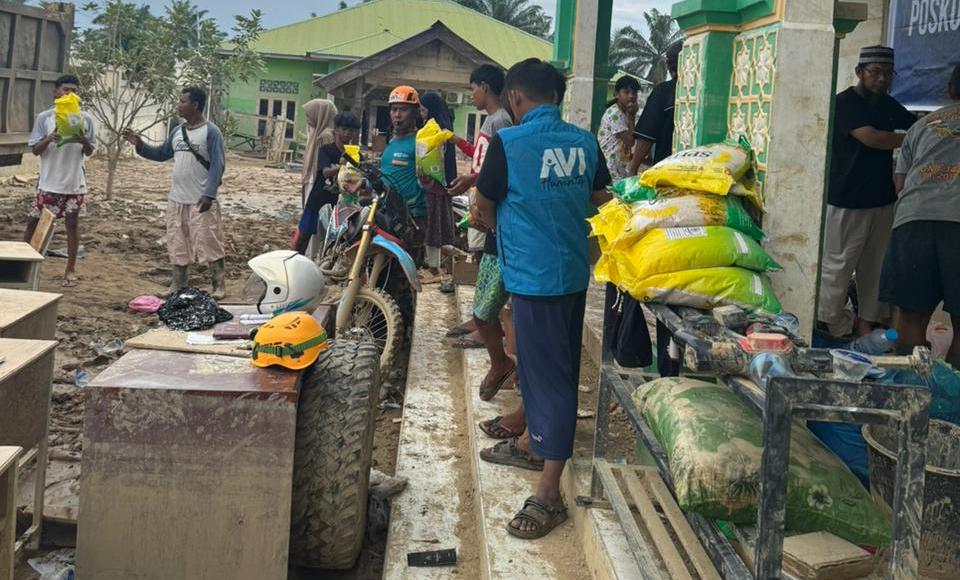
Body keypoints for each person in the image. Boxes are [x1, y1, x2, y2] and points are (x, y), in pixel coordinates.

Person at [474, 58, 612, 539]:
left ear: (514, 98)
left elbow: (483, 207)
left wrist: (508, 227)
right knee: (541, 365)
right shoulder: (586, 141)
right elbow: (603, 199)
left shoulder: (509, 143)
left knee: (551, 378)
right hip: (573, 274)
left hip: (533, 277)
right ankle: (534, 441)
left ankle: (550, 490)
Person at [817, 46, 916, 340]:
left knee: (875, 270)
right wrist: (914, 138)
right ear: (859, 72)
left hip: (881, 201)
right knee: (838, 266)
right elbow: (873, 139)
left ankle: (865, 326)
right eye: (875, 72)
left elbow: (916, 124)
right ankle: (830, 325)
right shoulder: (845, 103)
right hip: (845, 201)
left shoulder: (887, 104)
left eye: (887, 73)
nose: (882, 79)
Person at [880, 64, 960, 368]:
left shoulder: (921, 126)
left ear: (950, 91)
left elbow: (899, 184)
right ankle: (951, 400)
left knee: (912, 318)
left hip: (914, 221)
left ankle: (911, 388)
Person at [445, 65, 516, 403]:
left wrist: (482, 202)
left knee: (496, 296)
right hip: (484, 203)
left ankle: (502, 358)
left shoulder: (501, 120)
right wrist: (472, 181)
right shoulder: (492, 122)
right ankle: (494, 346)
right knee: (484, 281)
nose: (470, 95)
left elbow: (497, 169)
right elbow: (484, 164)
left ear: (484, 87)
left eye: (472, 88)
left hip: (494, 213)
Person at [122, 86, 227, 299]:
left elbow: (218, 164)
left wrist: (209, 194)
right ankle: (178, 285)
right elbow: (162, 153)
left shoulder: (211, 132)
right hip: (177, 198)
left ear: (195, 105)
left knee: (208, 241)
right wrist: (140, 144)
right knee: (177, 241)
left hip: (200, 199)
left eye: (182, 102)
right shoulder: (177, 131)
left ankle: (219, 285)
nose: (178, 105)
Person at [627, 40, 684, 377]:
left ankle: (669, 362)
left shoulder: (665, 93)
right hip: (702, 194)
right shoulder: (699, 91)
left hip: (668, 191)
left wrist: (632, 174)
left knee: (669, 278)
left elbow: (643, 140)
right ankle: (672, 358)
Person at [24, 74, 96, 287]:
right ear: (56, 92)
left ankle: (70, 270)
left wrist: (83, 140)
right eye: (65, 89)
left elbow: (90, 150)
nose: (70, 93)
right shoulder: (45, 118)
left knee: (72, 224)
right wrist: (49, 138)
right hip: (48, 183)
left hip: (74, 183)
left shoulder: (85, 119)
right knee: (34, 223)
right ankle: (21, 264)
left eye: (74, 90)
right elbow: (35, 151)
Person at [294, 111, 361, 255]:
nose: (347, 134)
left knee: (336, 240)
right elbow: (325, 172)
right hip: (318, 200)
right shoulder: (326, 150)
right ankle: (294, 260)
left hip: (340, 205)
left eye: (351, 130)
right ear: (335, 130)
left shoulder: (356, 154)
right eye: (344, 129)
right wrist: (342, 165)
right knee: (303, 236)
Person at [418, 92, 457, 282]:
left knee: (432, 226)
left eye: (424, 110)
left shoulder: (435, 131)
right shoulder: (445, 128)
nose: (421, 113)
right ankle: (435, 264)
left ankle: (434, 268)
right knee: (437, 225)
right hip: (441, 183)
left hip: (433, 183)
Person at [628, 40, 683, 174]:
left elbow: (646, 136)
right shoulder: (705, 92)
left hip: (666, 170)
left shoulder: (663, 91)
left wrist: (632, 170)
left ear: (669, 67)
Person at [381, 86, 427, 245]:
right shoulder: (392, 142)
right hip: (387, 211)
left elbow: (432, 180)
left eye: (403, 110)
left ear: (415, 112)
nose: (397, 115)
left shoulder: (421, 141)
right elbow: (386, 174)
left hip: (411, 218)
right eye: (394, 110)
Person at [598, 75, 640, 181]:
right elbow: (630, 142)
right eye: (626, 92)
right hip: (610, 168)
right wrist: (632, 116)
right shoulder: (615, 113)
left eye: (634, 93)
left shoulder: (624, 112)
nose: (631, 96)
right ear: (616, 94)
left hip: (618, 167)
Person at [299, 99, 337, 208]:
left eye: (309, 116)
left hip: (317, 181)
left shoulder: (326, 136)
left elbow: (325, 162)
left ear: (320, 115)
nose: (307, 120)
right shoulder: (316, 133)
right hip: (311, 178)